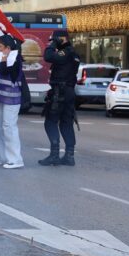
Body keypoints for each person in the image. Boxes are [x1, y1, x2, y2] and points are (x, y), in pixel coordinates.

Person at [40, 29, 81, 166]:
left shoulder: (66, 52)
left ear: (61, 39)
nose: (53, 43)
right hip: (68, 92)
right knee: (66, 123)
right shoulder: (73, 52)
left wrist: (52, 44)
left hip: (60, 92)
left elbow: (48, 56)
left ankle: (54, 155)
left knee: (50, 121)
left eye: (55, 39)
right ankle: (69, 156)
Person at [0, 35, 24, 169]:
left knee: (9, 127)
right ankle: (3, 157)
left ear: (8, 48)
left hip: (12, 98)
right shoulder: (2, 56)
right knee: (1, 127)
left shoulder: (15, 58)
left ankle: (15, 159)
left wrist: (3, 59)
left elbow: (4, 70)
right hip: (2, 96)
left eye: (1, 47)